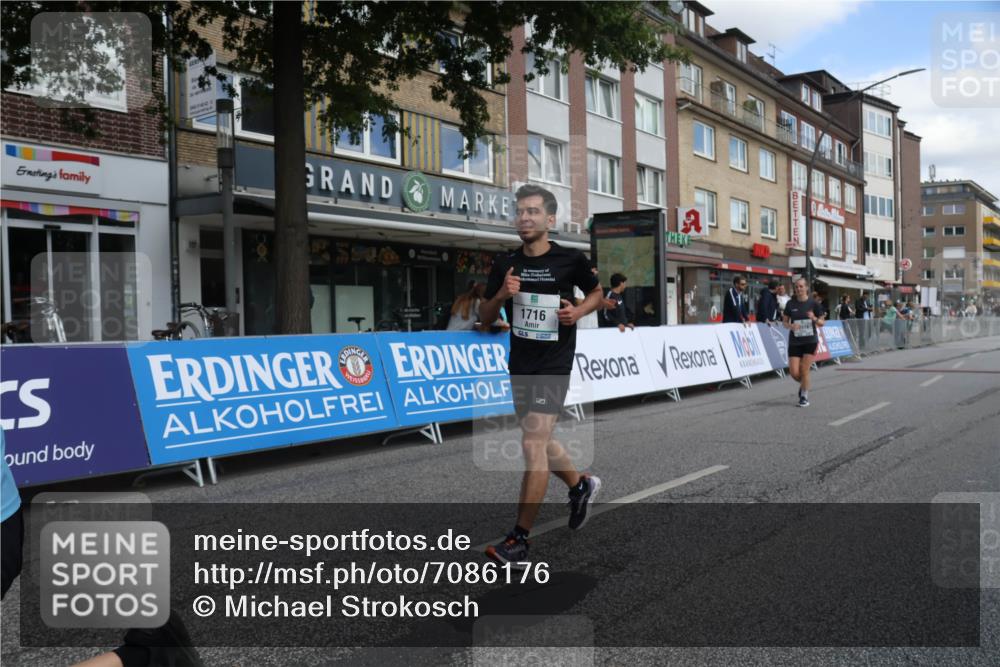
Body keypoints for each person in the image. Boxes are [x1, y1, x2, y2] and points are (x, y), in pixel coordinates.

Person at [479, 184, 605, 566]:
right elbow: (484, 319)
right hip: (520, 362)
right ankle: (580, 484)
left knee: (533, 444)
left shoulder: (570, 260)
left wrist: (578, 313)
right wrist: (501, 294)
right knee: (538, 438)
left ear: (550, 220)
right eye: (520, 212)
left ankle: (518, 540)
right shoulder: (505, 265)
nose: (524, 218)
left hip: (554, 362)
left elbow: (597, 293)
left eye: (532, 212)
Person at [783, 277, 825, 407]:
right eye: (796, 287)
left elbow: (822, 323)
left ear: (806, 288)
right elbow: (784, 322)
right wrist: (791, 326)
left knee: (804, 370)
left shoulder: (814, 304)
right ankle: (804, 384)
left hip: (810, 341)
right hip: (795, 341)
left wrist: (814, 318)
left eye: (801, 286)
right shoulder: (790, 304)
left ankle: (804, 396)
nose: (798, 289)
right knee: (794, 372)